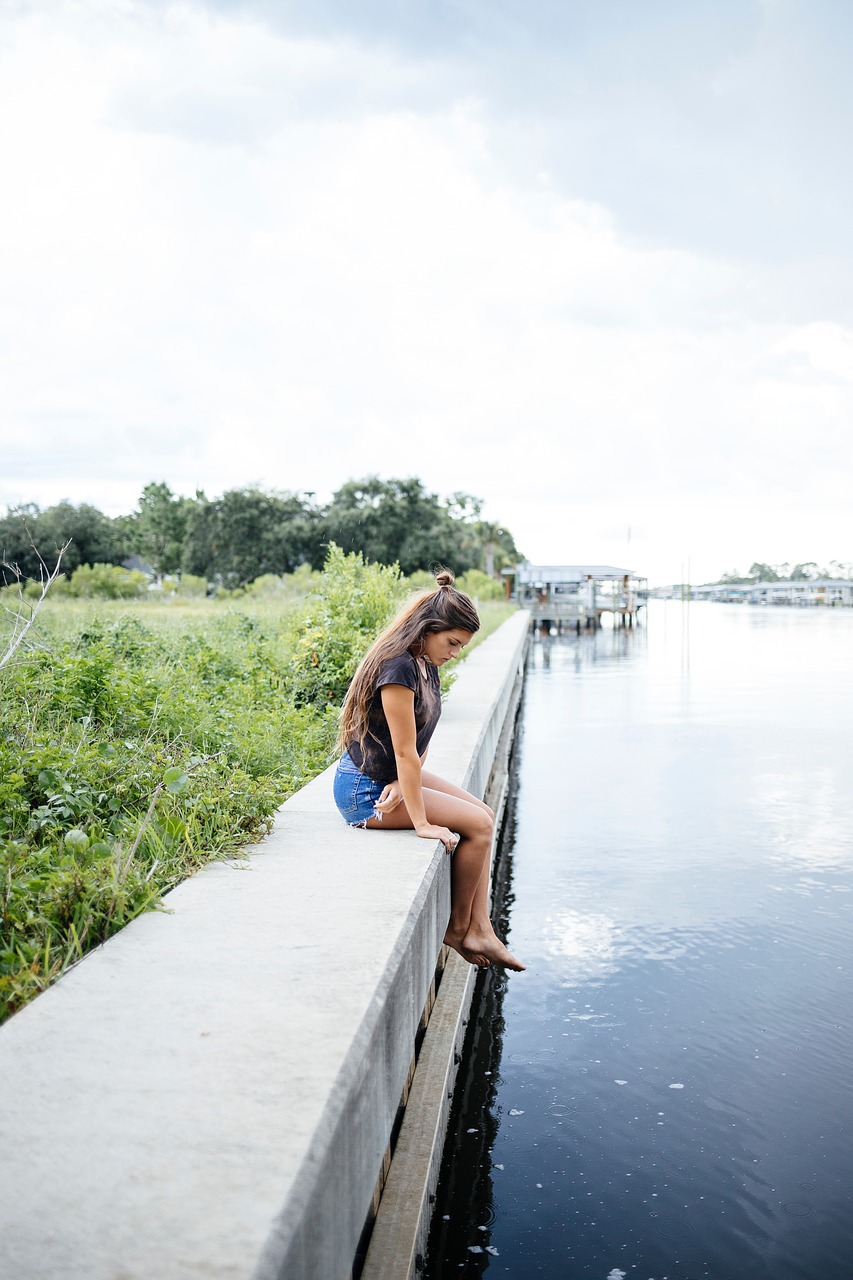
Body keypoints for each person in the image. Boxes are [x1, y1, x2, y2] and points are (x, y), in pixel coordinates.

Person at [334, 569, 525, 972]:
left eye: (462, 646)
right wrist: (421, 822)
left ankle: (482, 926)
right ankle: (460, 930)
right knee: (479, 826)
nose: (456, 652)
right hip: (362, 793)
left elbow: (417, 744)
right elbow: (404, 751)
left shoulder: (424, 665)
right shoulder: (397, 668)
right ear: (428, 628)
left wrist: (401, 782)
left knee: (484, 815)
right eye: (452, 642)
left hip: (384, 776)